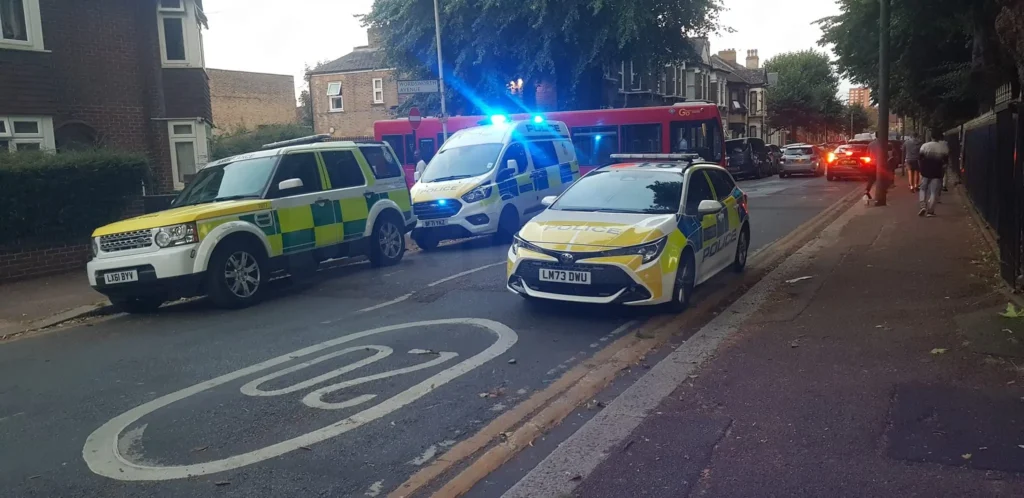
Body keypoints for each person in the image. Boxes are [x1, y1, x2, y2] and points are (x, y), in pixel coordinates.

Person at [918, 131, 949, 217]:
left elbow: (920, 159)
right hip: (937, 172)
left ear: (931, 137)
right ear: (939, 138)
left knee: (923, 189)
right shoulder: (943, 148)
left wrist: (921, 169)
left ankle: (922, 206)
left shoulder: (924, 146)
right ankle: (930, 211)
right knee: (933, 192)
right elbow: (945, 163)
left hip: (925, 171)